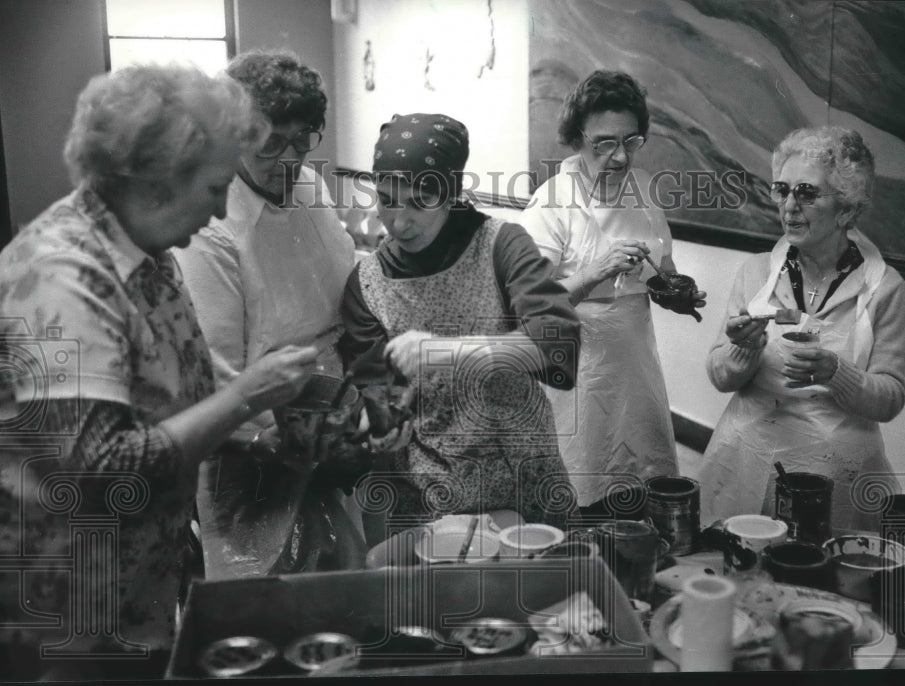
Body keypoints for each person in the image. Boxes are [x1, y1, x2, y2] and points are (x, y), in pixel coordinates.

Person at [0, 64, 317, 680]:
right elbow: (98, 473)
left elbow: (177, 401)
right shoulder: (61, 277)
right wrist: (249, 398)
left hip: (137, 586)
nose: (223, 207)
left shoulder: (149, 256)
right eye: (214, 187)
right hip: (62, 608)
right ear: (156, 181)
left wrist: (264, 437)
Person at [339, 113, 581, 541]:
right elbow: (372, 387)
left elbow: (556, 343)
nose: (398, 222)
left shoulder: (502, 245)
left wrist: (441, 352)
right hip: (430, 499)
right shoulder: (366, 284)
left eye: (419, 201)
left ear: (451, 194)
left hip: (526, 482)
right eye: (387, 199)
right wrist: (381, 425)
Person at [173, 50, 365, 579]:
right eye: (270, 142)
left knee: (338, 582)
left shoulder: (309, 186)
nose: (289, 158)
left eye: (302, 138)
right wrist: (273, 441)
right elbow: (212, 372)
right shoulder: (211, 224)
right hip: (254, 436)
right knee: (262, 594)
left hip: (327, 421)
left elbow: (341, 279)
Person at [697, 125, 905, 532]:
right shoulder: (757, 271)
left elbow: (891, 398)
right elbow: (720, 375)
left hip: (840, 479)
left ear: (846, 209)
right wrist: (745, 350)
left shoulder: (884, 287)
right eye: (783, 190)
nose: (789, 207)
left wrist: (837, 374)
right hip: (748, 460)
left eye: (807, 193)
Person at [520, 70, 705, 517]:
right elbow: (528, 305)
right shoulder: (552, 203)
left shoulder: (643, 192)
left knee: (638, 486)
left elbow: (658, 269)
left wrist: (673, 291)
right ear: (576, 137)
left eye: (631, 141)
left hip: (635, 372)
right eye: (604, 143)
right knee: (580, 494)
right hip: (575, 379)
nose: (620, 156)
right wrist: (594, 270)